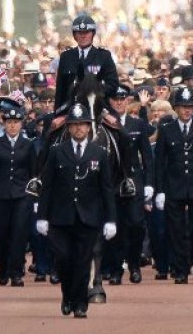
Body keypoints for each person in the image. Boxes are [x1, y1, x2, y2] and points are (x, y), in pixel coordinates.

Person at [36, 102, 117, 319]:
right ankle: (67, 294)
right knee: (62, 258)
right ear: (68, 127)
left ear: (89, 127)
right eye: (74, 125)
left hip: (89, 216)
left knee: (82, 261)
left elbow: (106, 188)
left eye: (83, 124)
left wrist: (111, 219)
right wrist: (42, 217)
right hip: (60, 216)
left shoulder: (99, 153)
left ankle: (81, 302)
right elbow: (48, 186)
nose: (79, 128)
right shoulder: (56, 152)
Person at [154, 87, 193, 283]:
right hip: (174, 186)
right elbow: (160, 163)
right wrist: (160, 190)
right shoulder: (166, 130)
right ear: (176, 109)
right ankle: (181, 269)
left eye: (190, 107)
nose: (187, 111)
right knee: (176, 229)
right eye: (183, 107)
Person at [106, 84, 154, 284]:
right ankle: (116, 270)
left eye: (122, 98)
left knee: (136, 225)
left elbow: (147, 156)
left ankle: (134, 265)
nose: (119, 102)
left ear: (127, 101)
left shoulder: (137, 124)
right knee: (114, 227)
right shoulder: (104, 124)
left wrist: (150, 183)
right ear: (110, 101)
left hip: (134, 180)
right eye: (115, 99)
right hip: (112, 180)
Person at [0, 97, 34, 287]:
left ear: (21, 124)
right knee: (1, 233)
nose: (12, 126)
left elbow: (33, 172)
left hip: (22, 195)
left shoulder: (28, 145)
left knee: (19, 233)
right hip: (1, 194)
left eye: (16, 123)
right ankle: (3, 268)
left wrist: (34, 197)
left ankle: (16, 272)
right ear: (4, 124)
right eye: (9, 123)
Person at [54, 14, 119, 111]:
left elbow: (113, 85)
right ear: (75, 35)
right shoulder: (66, 57)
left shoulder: (104, 56)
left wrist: (95, 90)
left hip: (98, 107)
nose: (83, 36)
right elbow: (60, 90)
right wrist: (57, 112)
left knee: (116, 125)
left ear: (93, 33)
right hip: (70, 109)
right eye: (79, 33)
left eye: (87, 32)